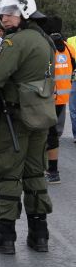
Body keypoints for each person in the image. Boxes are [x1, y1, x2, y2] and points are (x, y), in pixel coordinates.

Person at [0, 0, 55, 254]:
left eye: (11, 12)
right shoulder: (44, 40)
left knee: (8, 174)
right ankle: (40, 236)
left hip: (15, 118)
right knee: (36, 174)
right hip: (41, 117)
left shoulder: (16, 42)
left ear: (25, 13)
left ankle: (5, 237)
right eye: (4, 12)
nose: (4, 16)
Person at [43, 17, 75, 184]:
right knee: (53, 132)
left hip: (46, 97)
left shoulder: (45, 47)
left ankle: (48, 169)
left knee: (43, 132)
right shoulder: (69, 48)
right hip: (62, 98)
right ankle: (52, 170)